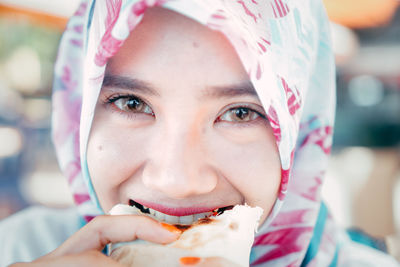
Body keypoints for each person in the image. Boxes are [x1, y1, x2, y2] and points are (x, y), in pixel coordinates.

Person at [1, 0, 399, 266]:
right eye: (131, 103)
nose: (176, 182)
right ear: (78, 114)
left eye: (240, 112)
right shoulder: (18, 249)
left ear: (301, 130)